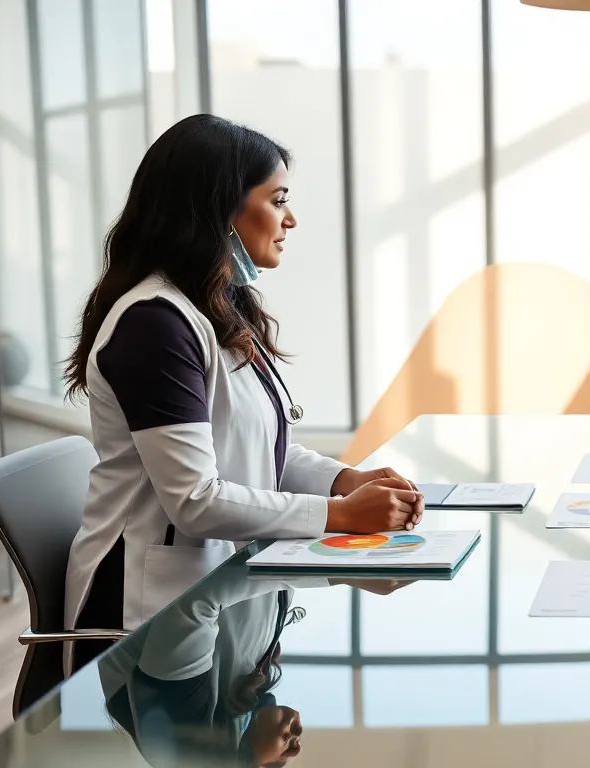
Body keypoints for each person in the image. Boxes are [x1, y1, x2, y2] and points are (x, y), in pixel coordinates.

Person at [61, 115, 424, 667]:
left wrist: (344, 479)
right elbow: (195, 501)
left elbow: (249, 446)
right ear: (219, 210)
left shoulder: (213, 308)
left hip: (219, 596)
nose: (291, 219)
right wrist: (340, 514)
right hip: (146, 621)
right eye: (277, 200)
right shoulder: (154, 323)